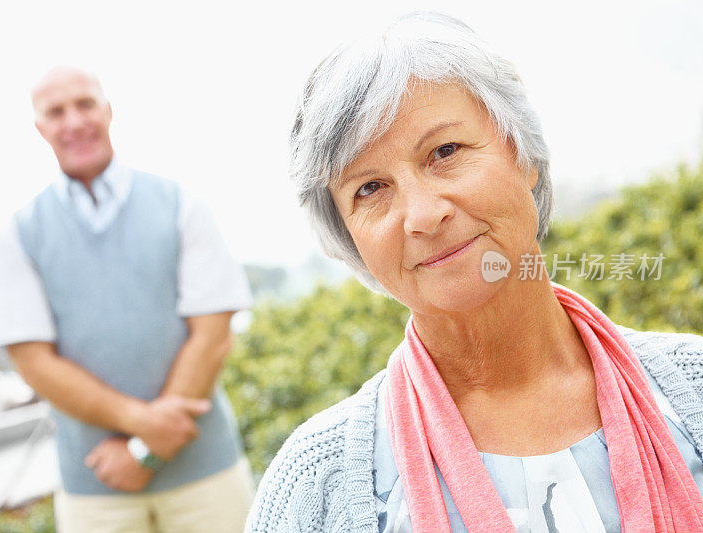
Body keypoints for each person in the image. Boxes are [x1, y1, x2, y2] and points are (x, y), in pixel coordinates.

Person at [246, 12, 703, 532]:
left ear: (523, 154)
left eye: (445, 151)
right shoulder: (315, 484)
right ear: (349, 238)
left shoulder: (694, 387)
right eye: (369, 189)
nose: (422, 214)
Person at [0, 66, 254, 532]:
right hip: (95, 488)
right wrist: (145, 428)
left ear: (108, 110)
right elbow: (33, 362)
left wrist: (142, 452)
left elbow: (212, 336)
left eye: (85, 104)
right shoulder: (17, 234)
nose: (73, 121)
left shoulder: (180, 203)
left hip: (207, 475)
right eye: (56, 111)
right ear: (40, 128)